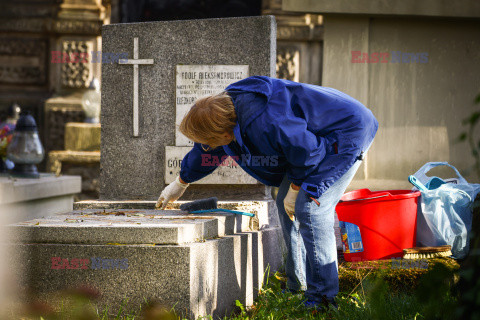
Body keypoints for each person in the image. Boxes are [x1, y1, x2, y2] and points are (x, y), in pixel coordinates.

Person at [156, 76, 378, 311]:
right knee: (285, 203)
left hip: (347, 132)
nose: (210, 147)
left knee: (310, 208)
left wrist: (295, 188)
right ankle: (297, 284)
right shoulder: (224, 114)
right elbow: (204, 152)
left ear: (222, 134)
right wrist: (181, 182)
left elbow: (307, 152)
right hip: (312, 141)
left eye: (211, 142)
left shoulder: (266, 120)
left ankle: (322, 299)